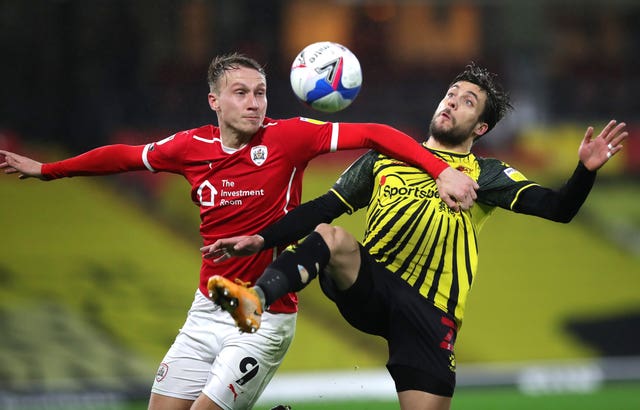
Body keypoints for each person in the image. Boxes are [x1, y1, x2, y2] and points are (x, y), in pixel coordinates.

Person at [0, 53, 479, 410]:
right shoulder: (189, 148)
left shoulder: (289, 138)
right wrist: (48, 170)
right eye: (241, 93)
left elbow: (376, 132)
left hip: (261, 316)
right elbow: (123, 156)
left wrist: (439, 170)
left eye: (261, 93)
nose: (254, 103)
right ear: (214, 101)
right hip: (209, 305)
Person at [202, 63, 628, 410]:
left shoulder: (486, 175)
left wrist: (584, 172)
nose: (451, 104)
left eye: (467, 103)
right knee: (329, 234)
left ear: (480, 128)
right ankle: (255, 299)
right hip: (372, 283)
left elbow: (558, 209)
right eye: (450, 94)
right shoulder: (386, 158)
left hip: (430, 311)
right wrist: (261, 238)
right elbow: (322, 206)